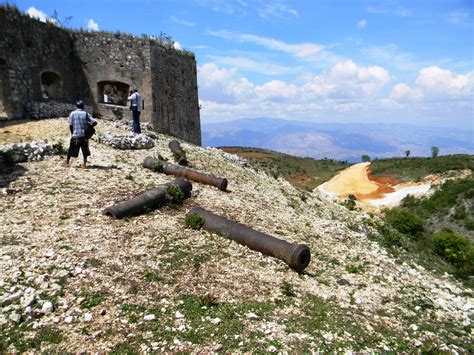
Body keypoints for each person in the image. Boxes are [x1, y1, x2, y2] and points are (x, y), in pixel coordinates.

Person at [62, 100, 97, 169]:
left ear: (76, 106)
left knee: (71, 149)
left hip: (76, 135)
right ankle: (84, 164)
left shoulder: (72, 114)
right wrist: (89, 127)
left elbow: (71, 125)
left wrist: (72, 133)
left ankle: (67, 163)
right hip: (84, 136)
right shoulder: (86, 114)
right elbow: (95, 122)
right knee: (84, 150)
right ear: (83, 106)